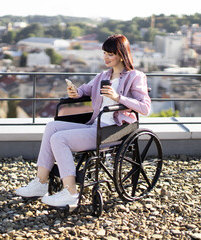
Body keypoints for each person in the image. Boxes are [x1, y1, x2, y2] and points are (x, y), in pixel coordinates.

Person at [15, 34, 151, 207]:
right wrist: (75, 92)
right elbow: (85, 90)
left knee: (59, 139)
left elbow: (145, 107)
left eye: (110, 54)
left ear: (121, 54)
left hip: (113, 129)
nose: (106, 58)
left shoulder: (135, 76)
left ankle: (70, 193)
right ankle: (40, 183)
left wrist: (118, 97)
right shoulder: (103, 75)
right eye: (104, 53)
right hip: (97, 124)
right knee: (52, 127)